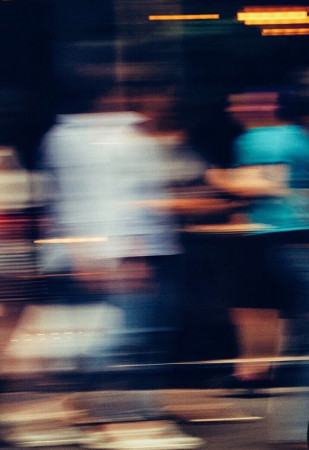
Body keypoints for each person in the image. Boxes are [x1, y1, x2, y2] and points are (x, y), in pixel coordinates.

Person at [30, 86, 203, 449]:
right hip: (124, 254)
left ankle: (131, 416)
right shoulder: (94, 138)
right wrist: (126, 253)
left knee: (139, 336)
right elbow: (101, 199)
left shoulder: (100, 136)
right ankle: (118, 421)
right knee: (123, 338)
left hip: (139, 251)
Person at [204, 89, 309, 444]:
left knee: (257, 305)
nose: (233, 109)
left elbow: (261, 184)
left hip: (269, 236)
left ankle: (259, 375)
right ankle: (259, 373)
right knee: (293, 314)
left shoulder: (256, 139)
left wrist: (215, 178)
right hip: (305, 235)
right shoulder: (305, 139)